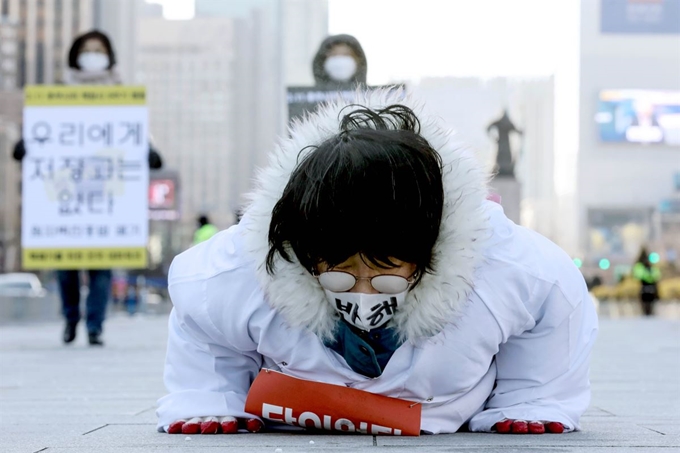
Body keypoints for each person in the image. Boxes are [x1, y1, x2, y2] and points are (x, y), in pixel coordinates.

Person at [156, 91, 598, 436]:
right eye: (341, 274)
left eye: (386, 276)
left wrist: (532, 402)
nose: (363, 294)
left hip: (447, 402)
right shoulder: (231, 273)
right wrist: (208, 398)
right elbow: (206, 325)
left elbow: (555, 310)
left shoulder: (516, 270)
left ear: (430, 252)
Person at [12, 30, 162, 346]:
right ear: (75, 55)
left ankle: (95, 325)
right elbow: (40, 133)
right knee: (66, 267)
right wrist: (27, 145)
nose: (93, 54)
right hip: (67, 194)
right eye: (87, 49)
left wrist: (149, 151)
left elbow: (138, 136)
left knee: (101, 268)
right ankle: (70, 318)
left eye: (99, 49)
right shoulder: (57, 94)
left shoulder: (123, 96)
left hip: (104, 193)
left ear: (109, 55)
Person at [633, 248, 661, 316]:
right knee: (645, 300)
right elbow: (638, 275)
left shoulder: (653, 268)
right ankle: (646, 312)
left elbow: (657, 276)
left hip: (651, 286)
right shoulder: (640, 267)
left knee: (651, 300)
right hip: (644, 285)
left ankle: (650, 311)